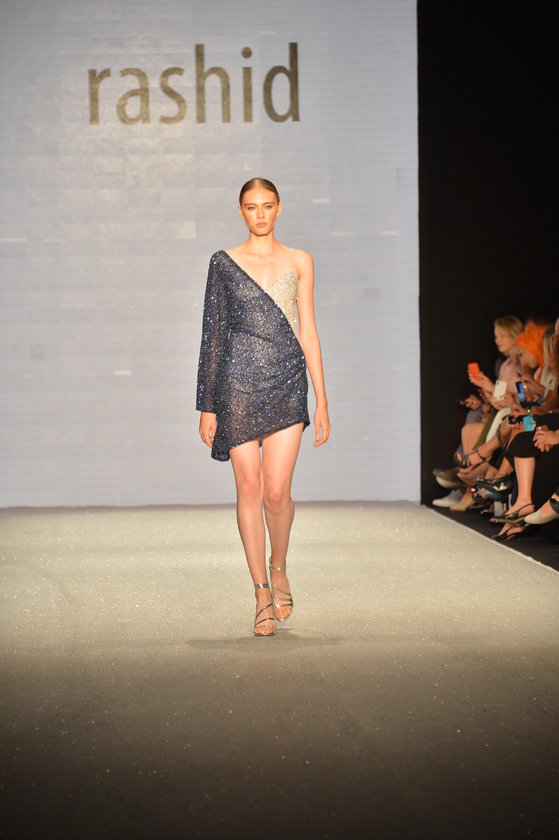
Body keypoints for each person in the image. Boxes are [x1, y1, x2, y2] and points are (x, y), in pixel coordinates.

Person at [196, 178, 330, 637]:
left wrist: (322, 399)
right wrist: (206, 404)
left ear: (279, 208)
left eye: (267, 206)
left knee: (276, 491)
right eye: (251, 207)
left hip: (287, 382)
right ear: (240, 211)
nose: (260, 214)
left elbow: (308, 330)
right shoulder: (224, 263)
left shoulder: (300, 260)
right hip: (235, 386)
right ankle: (260, 594)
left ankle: (279, 566)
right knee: (249, 487)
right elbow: (213, 335)